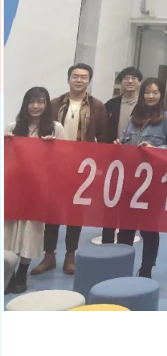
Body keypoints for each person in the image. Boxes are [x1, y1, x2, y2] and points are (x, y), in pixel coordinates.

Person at [32, 63, 109, 276]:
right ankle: (49, 255)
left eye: (83, 77)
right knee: (52, 211)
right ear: (68, 79)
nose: (79, 80)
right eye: (75, 76)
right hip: (55, 166)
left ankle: (70, 255)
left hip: (82, 167)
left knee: (75, 212)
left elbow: (103, 137)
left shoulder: (98, 107)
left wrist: (99, 165)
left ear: (89, 81)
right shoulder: (54, 104)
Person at [113, 77, 167, 278]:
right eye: (147, 92)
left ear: (161, 95)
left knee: (149, 230)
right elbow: (126, 143)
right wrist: (120, 146)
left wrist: (155, 149)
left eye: (155, 92)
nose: (151, 96)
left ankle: (146, 269)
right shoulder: (134, 117)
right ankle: (122, 266)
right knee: (125, 229)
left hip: (153, 185)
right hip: (129, 183)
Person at [4, 87, 65, 294]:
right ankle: (9, 273)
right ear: (25, 104)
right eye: (32, 101)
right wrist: (6, 142)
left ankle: (22, 273)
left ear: (46, 105)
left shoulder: (55, 128)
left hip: (39, 189)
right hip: (15, 188)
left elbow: (63, 159)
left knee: (31, 232)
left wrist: (52, 147)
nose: (36, 106)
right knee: (10, 231)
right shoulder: (13, 127)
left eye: (40, 101)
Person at [102, 66, 143, 245]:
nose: (130, 81)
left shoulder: (145, 105)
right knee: (110, 202)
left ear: (139, 82)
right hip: (114, 159)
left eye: (134, 78)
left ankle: (125, 243)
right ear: (121, 82)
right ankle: (107, 242)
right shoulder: (110, 105)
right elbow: (103, 131)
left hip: (137, 162)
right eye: (126, 78)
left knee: (130, 203)